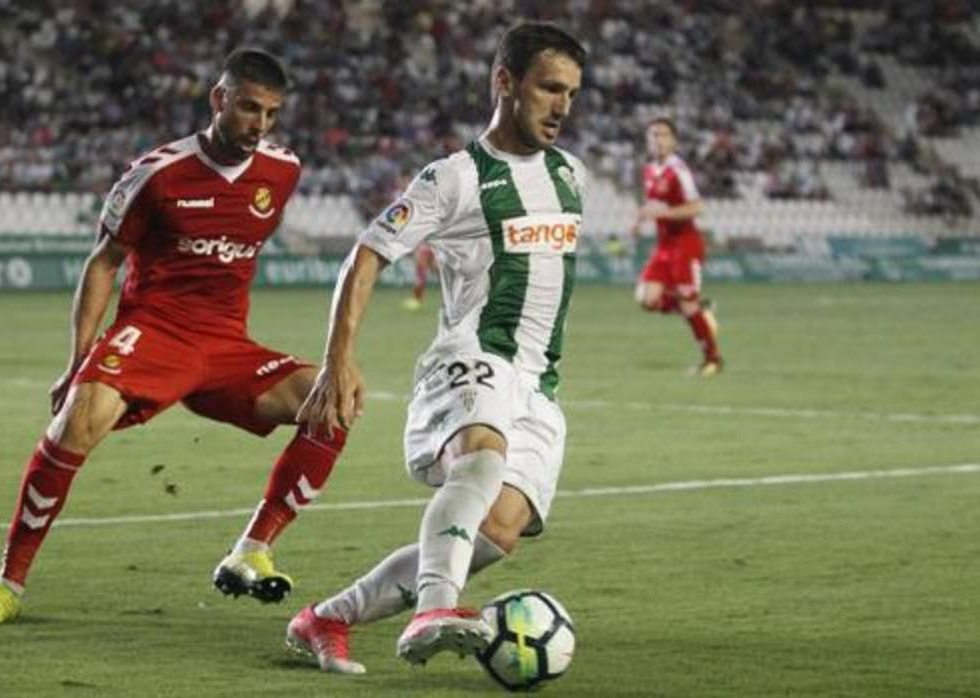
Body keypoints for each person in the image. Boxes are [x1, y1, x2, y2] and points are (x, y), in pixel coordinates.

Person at [0, 49, 350, 627]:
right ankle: (9, 583)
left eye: (271, 113)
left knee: (334, 402)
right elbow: (103, 263)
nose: (259, 125)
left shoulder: (283, 170)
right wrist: (79, 361)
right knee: (77, 418)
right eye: (248, 109)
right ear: (219, 100)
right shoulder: (157, 175)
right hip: (154, 333)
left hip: (224, 345)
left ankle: (253, 549)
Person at [287, 22, 588, 672]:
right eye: (548, 88)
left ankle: (327, 618)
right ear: (504, 82)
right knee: (479, 460)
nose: (562, 106)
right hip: (472, 354)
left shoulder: (572, 176)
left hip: (538, 385)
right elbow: (365, 255)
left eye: (570, 93)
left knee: (497, 531)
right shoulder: (455, 178)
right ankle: (435, 608)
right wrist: (339, 359)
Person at [630, 117, 722, 375]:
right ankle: (698, 310)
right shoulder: (649, 170)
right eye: (653, 135)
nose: (658, 140)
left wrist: (664, 213)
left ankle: (712, 360)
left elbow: (696, 207)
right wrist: (638, 221)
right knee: (647, 300)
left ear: (673, 141)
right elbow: (651, 203)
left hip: (686, 245)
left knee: (687, 305)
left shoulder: (678, 170)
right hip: (663, 247)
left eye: (663, 135)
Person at [402, 244, 438, 311]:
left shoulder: (424, 249)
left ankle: (417, 301)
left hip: (422, 267)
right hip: (422, 267)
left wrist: (429, 267)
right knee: (420, 284)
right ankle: (417, 301)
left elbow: (426, 261)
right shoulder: (424, 248)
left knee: (419, 284)